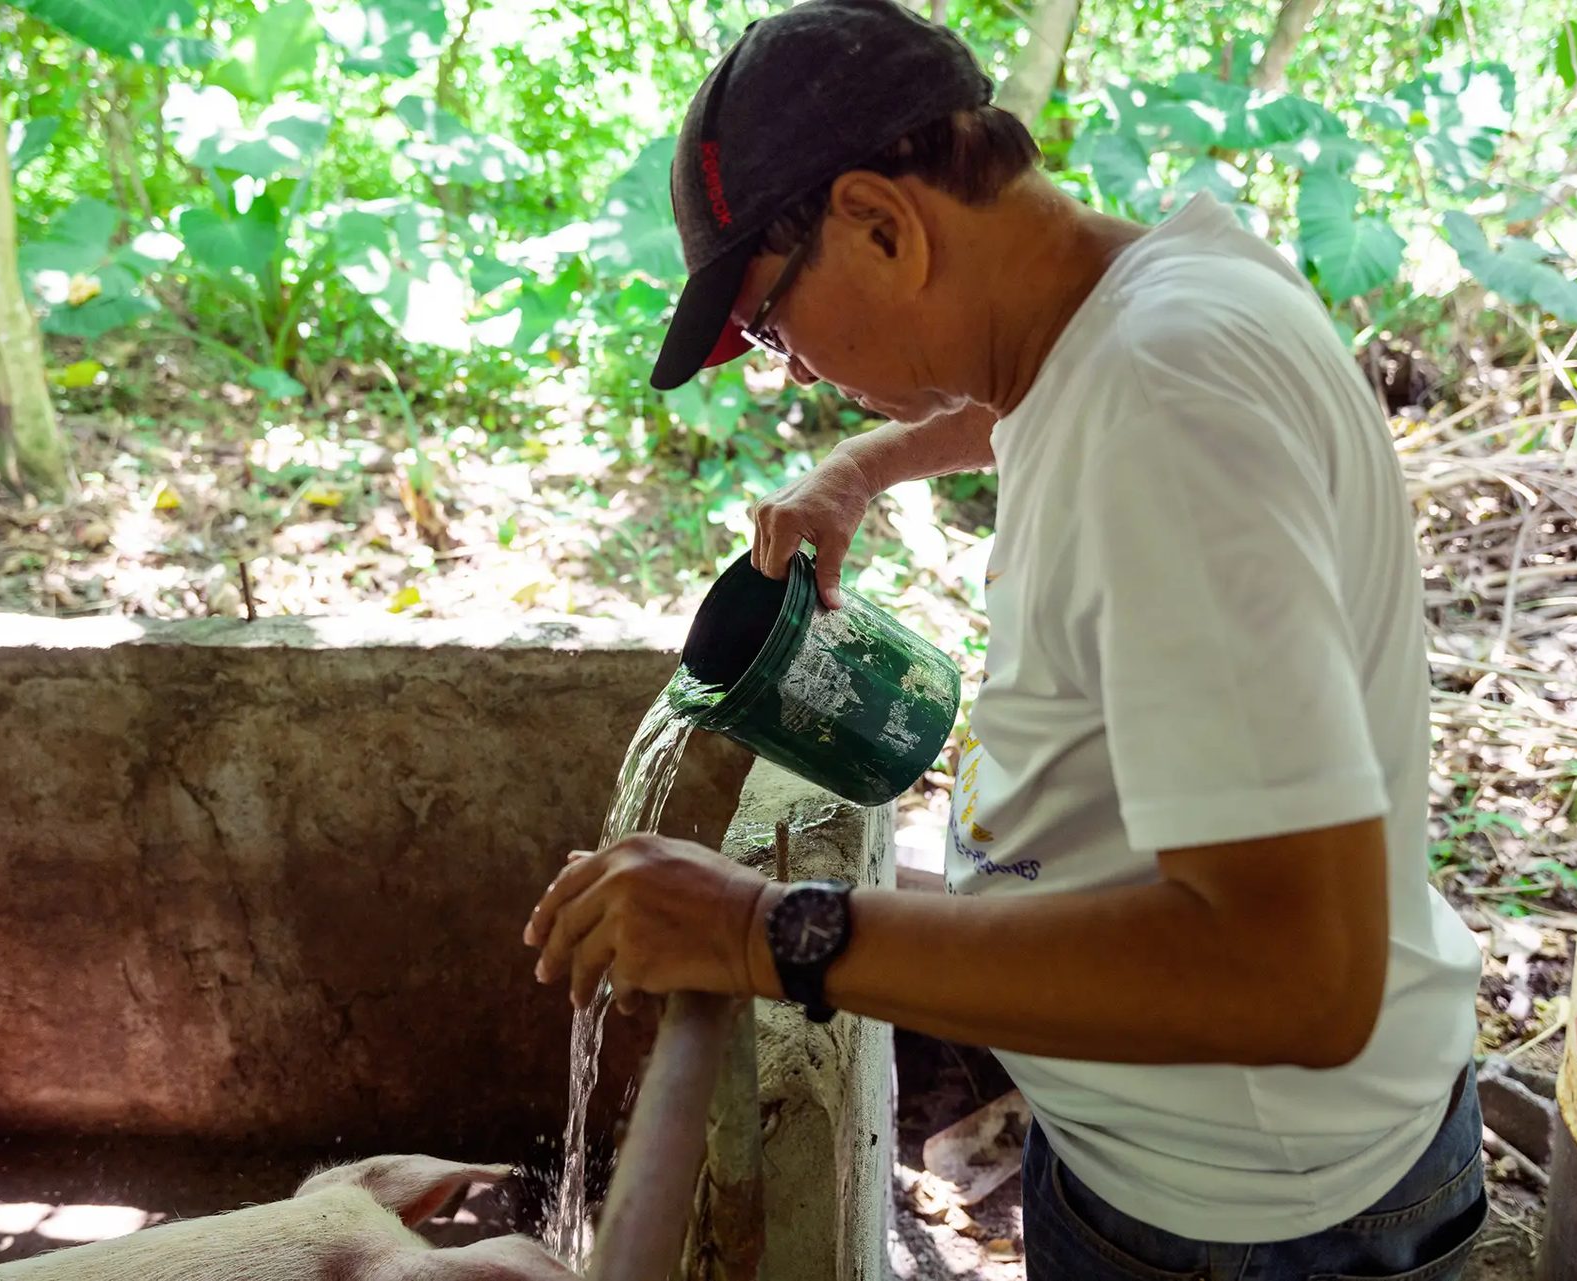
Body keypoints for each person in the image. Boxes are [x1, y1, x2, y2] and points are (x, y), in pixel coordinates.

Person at [523, 1, 1488, 1277]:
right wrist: (867, 462)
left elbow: (1298, 975)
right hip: (1163, 1155)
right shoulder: (1154, 293)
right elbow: (1037, 389)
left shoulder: (1169, 417)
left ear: (881, 222)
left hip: (1254, 1217)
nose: (794, 372)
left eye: (766, 325)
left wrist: (762, 930)